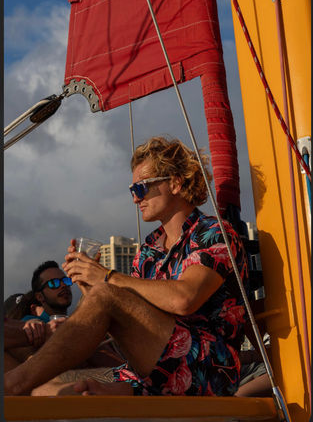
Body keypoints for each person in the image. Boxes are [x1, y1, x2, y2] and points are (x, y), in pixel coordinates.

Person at [4, 136, 249, 397]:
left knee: (24, 385)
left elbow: (184, 299)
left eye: (141, 188)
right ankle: (18, 385)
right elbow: (125, 316)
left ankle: (9, 386)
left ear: (175, 183)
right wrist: (89, 287)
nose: (135, 199)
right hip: (151, 371)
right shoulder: (149, 250)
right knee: (46, 392)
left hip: (206, 369)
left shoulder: (214, 233)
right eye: (133, 191)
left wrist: (107, 278)